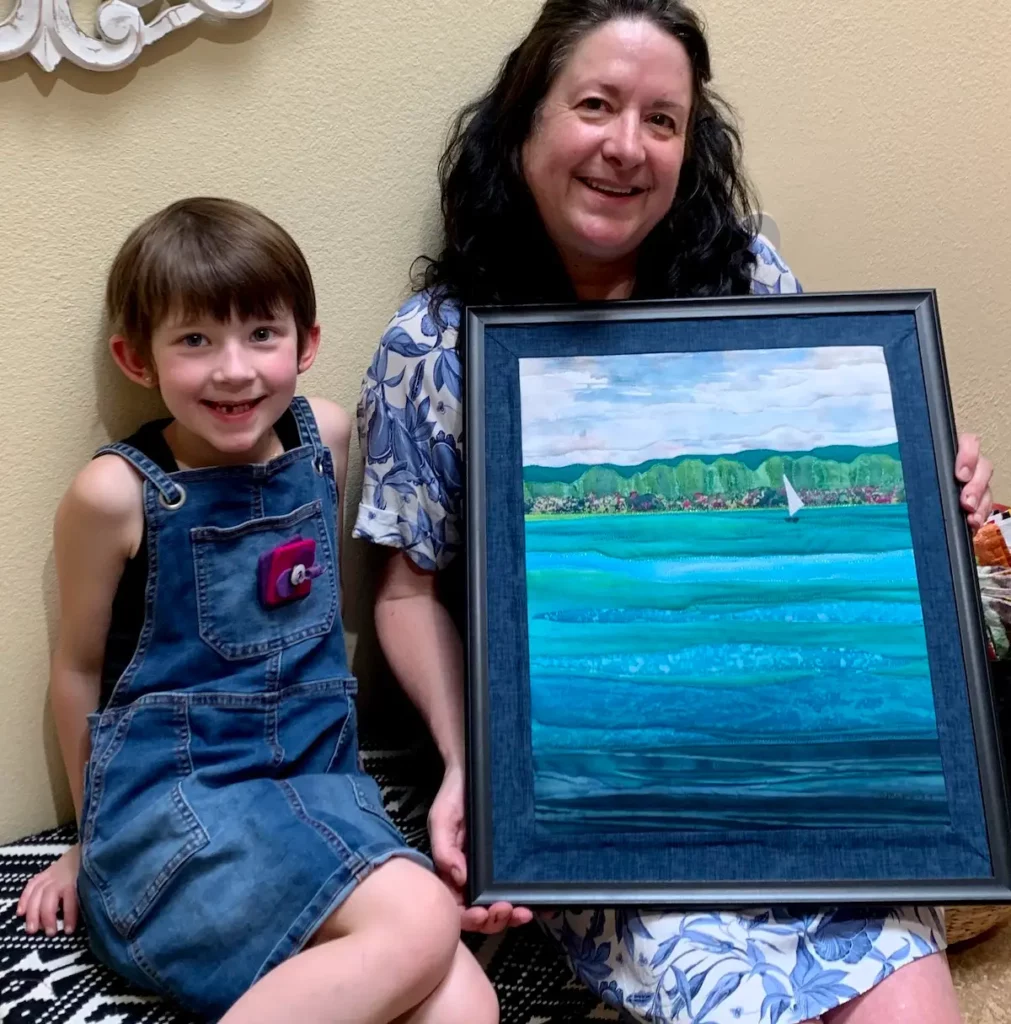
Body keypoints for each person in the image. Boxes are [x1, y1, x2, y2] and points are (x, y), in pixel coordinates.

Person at [353, 2, 993, 1022]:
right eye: (595, 105)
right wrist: (474, 761)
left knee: (909, 1007)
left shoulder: (748, 276)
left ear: (692, 147)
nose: (625, 146)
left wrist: (926, 474)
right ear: (524, 122)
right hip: (592, 785)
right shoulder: (432, 345)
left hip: (803, 766)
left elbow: (833, 442)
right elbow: (404, 585)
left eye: (662, 119)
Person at [16, 198, 499, 1024]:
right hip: (178, 809)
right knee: (422, 922)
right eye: (195, 339)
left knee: (465, 1002)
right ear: (138, 358)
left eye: (261, 335)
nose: (233, 370)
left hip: (317, 783)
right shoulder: (116, 494)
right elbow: (78, 669)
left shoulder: (328, 442)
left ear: (306, 344)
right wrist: (87, 840)